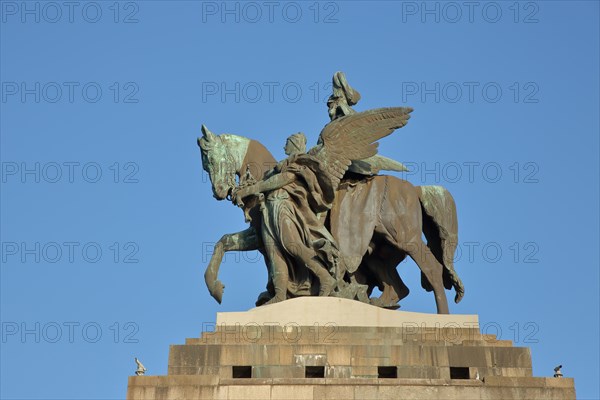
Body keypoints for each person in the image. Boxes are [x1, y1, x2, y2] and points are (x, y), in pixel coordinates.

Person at [232, 133, 338, 304]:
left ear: (295, 144)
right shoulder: (282, 166)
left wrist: (250, 190)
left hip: (284, 209)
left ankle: (325, 278)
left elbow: (281, 180)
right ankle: (280, 294)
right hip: (269, 209)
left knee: (292, 245)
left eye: (287, 143)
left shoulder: (300, 162)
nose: (284, 147)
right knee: (273, 251)